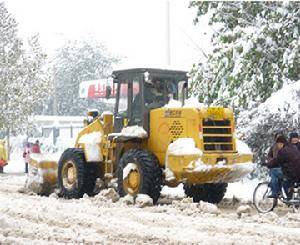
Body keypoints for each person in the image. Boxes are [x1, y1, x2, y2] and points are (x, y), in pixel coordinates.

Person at [266, 132, 285, 198]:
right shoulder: (273, 146)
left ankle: (275, 192)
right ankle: (278, 191)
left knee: (273, 173)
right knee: (274, 176)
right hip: (275, 165)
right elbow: (269, 155)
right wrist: (270, 161)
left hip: (282, 166)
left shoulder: (285, 146)